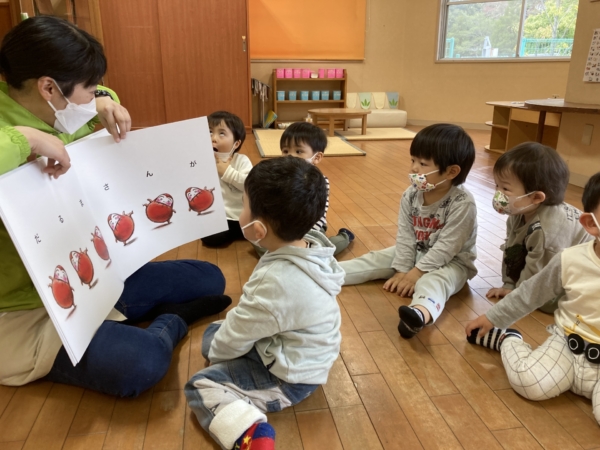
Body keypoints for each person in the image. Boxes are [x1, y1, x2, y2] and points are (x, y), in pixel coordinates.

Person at [0, 16, 230, 397]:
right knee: (140, 364)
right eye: (88, 90)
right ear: (48, 88)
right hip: (23, 309)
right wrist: (24, 139)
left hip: (92, 274)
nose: (94, 98)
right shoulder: (20, 122)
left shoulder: (58, 104)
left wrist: (104, 99)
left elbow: (95, 99)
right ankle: (171, 323)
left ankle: (117, 317)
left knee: (209, 278)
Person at [185, 157, 344, 450]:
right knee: (215, 334)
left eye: (242, 204)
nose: (239, 211)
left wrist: (219, 358)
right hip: (305, 348)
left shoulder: (274, 281)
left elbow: (235, 336)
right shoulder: (312, 246)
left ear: (258, 229)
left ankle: (251, 436)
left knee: (201, 383)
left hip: (292, 377)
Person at [465, 172, 600, 424]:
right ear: (591, 224)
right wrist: (493, 317)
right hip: (568, 345)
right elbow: (530, 292)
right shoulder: (569, 259)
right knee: (530, 383)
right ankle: (508, 339)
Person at [338, 124, 477, 340]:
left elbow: (447, 247)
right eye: (413, 160)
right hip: (416, 252)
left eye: (423, 164)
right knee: (374, 259)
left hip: (452, 263)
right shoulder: (411, 194)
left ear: (451, 171)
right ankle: (322, 273)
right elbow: (405, 235)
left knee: (434, 283)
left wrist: (417, 273)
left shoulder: (462, 203)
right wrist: (403, 268)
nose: (413, 168)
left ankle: (419, 315)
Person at [486, 142, 591, 313]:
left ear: (536, 197)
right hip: (562, 266)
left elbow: (540, 272)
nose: (498, 193)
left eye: (505, 188)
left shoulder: (545, 229)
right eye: (497, 186)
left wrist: (518, 296)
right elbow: (512, 250)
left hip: (586, 273)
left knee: (548, 303)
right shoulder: (518, 212)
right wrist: (509, 284)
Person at [255, 122, 354, 257]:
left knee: (321, 249)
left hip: (311, 228)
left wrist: (302, 238)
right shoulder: (279, 177)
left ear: (317, 157)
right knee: (260, 245)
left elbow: (320, 215)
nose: (290, 156)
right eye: (285, 151)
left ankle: (345, 236)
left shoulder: (320, 182)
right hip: (284, 228)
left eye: (298, 151)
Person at [201, 111, 252, 247]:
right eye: (210, 132)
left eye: (221, 133)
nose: (213, 138)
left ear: (236, 144)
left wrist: (227, 172)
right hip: (219, 217)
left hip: (242, 215)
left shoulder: (241, 160)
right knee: (210, 239)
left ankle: (243, 231)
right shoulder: (202, 161)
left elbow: (250, 185)